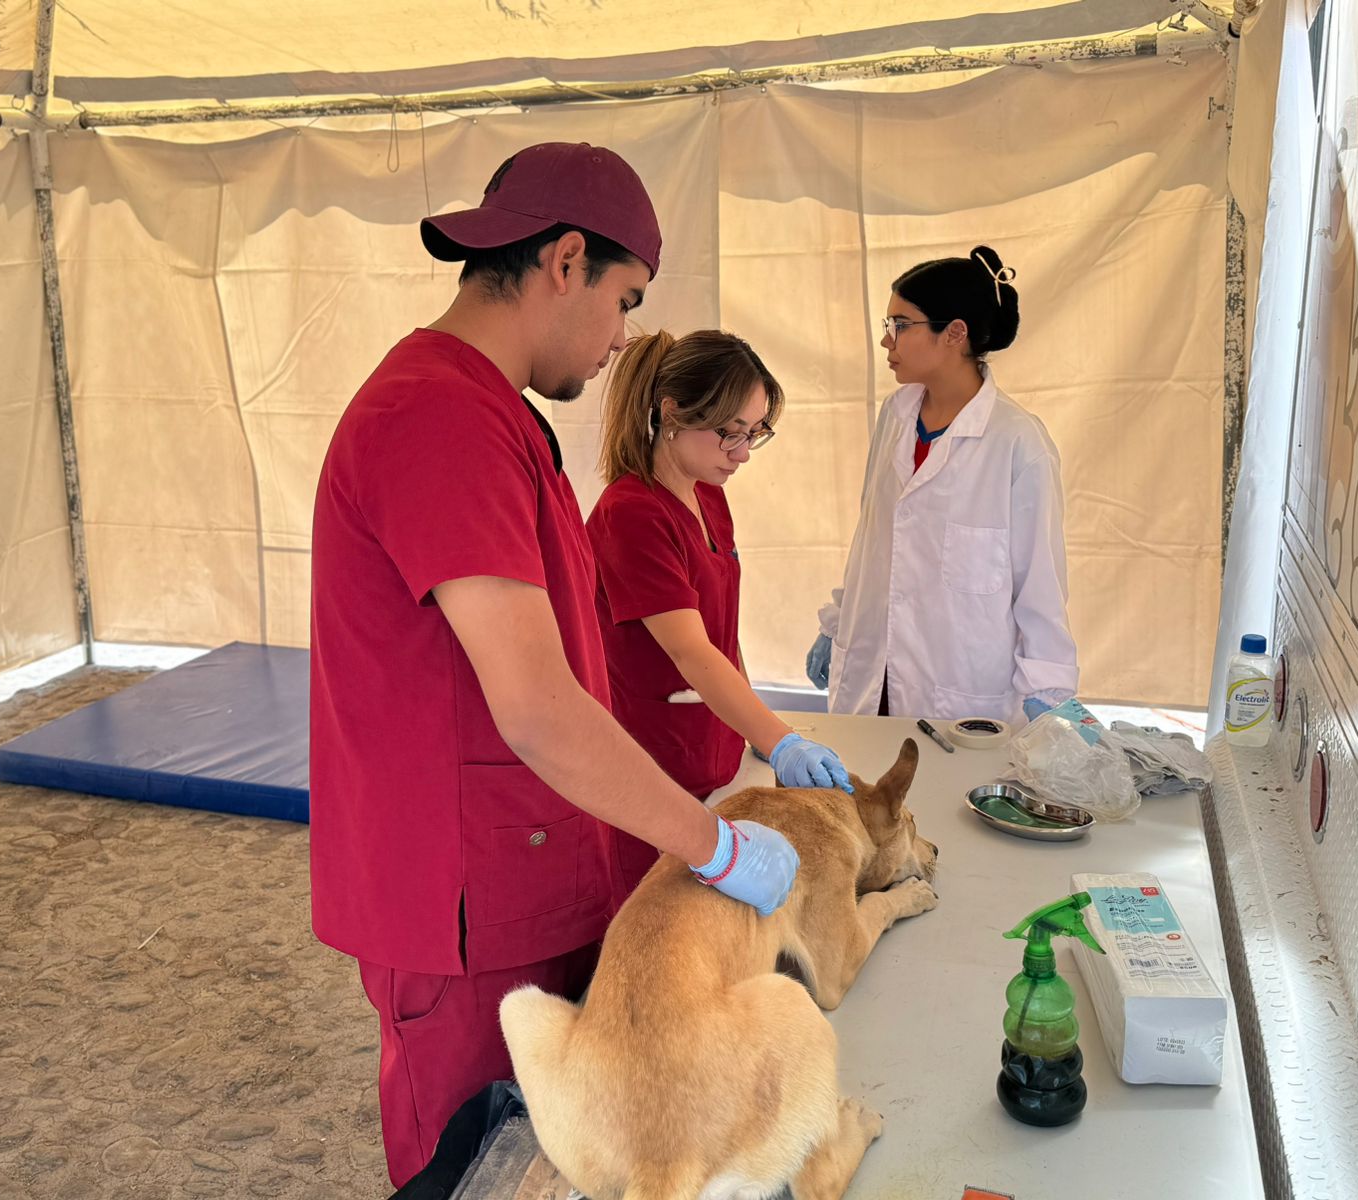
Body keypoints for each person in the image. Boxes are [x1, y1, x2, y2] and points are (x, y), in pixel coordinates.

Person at [309, 142, 799, 1189]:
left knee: (565, 1158)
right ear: (564, 260)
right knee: (480, 1170)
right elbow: (536, 705)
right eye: (624, 299)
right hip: (468, 901)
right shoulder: (438, 413)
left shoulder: (494, 413)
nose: (626, 337)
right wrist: (711, 845)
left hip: (525, 870)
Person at [587, 329, 852, 891]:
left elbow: (721, 632)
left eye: (755, 433)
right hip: (654, 764)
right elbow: (690, 650)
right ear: (673, 412)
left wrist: (756, 728)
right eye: (730, 433)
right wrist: (781, 739)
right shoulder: (632, 512)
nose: (742, 453)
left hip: (714, 751)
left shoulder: (708, 493)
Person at [805, 246, 1078, 725]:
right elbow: (872, 540)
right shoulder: (895, 416)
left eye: (900, 325)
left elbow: (1041, 585)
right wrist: (838, 619)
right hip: (877, 673)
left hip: (959, 692)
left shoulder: (1018, 443)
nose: (887, 341)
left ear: (954, 333)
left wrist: (1047, 694)